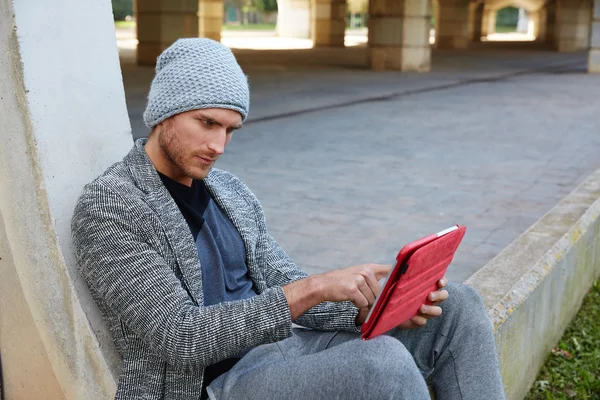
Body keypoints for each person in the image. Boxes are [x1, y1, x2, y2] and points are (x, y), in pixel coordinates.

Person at [71, 38, 506, 400]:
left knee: (459, 306)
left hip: (282, 350)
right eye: (207, 123)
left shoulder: (230, 192)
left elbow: (283, 280)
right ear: (165, 112)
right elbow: (181, 337)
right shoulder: (111, 206)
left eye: (230, 130)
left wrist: (372, 309)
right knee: (381, 365)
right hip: (213, 384)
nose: (218, 145)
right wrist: (313, 288)